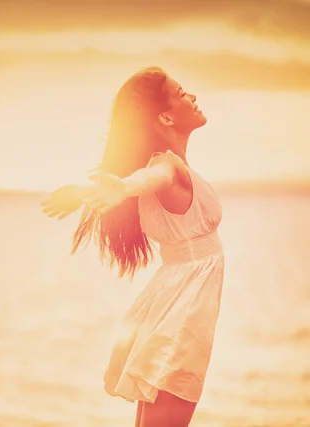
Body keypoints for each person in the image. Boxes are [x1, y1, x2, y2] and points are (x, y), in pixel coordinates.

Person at [41, 66, 224, 427]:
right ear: (167, 116)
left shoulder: (169, 169)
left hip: (175, 304)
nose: (192, 96)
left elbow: (138, 181)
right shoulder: (167, 168)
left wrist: (86, 193)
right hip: (182, 314)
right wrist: (122, 188)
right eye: (182, 92)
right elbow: (148, 179)